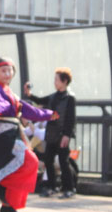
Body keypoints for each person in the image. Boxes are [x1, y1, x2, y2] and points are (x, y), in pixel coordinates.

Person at [0, 58, 56, 212]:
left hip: (13, 132)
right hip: (1, 135)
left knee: (25, 162)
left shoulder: (10, 93)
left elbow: (30, 110)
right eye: (3, 70)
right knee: (28, 160)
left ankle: (8, 204)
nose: (7, 73)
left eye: (10, 70)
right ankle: (2, 190)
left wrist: (50, 115)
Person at [24, 68, 78, 198]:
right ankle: (51, 186)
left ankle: (69, 188)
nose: (55, 82)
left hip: (62, 135)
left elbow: (71, 118)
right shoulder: (54, 96)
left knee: (63, 161)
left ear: (64, 81)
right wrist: (29, 94)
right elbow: (41, 100)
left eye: (57, 79)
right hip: (51, 134)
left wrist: (67, 135)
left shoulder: (70, 98)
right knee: (48, 160)